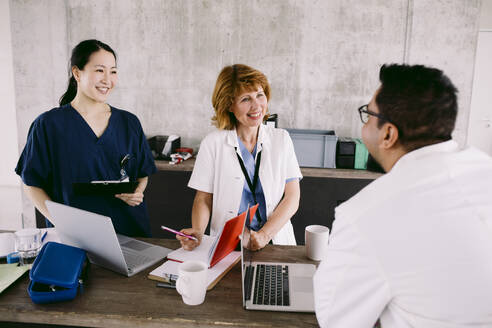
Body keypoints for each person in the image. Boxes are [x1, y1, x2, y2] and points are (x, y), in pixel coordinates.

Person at [314, 64, 492, 327]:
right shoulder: (484, 168)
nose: (364, 125)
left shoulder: (364, 215)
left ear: (388, 134)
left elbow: (335, 320)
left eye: (368, 115)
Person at [16, 39, 156, 237]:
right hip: (75, 238)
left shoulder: (129, 122)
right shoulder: (48, 125)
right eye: (100, 70)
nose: (108, 79)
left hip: (129, 232)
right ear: (77, 73)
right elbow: (31, 183)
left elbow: (143, 173)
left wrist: (138, 191)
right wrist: (62, 224)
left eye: (113, 71)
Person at [177, 64, 302, 251]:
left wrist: (264, 235)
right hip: (227, 242)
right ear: (228, 105)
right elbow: (203, 198)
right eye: (245, 99)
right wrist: (198, 230)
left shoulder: (281, 139)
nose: (256, 105)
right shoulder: (212, 143)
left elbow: (292, 196)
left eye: (260, 95)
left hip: (275, 240)